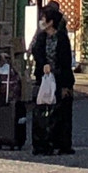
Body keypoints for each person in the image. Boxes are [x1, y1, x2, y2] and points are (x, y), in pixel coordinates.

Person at [30, 8, 75, 154]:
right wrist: (43, 65)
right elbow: (37, 53)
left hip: (60, 78)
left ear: (51, 22)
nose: (42, 21)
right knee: (43, 110)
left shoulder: (62, 38)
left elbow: (66, 61)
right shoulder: (41, 37)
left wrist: (67, 85)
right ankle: (42, 143)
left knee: (62, 112)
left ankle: (62, 144)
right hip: (43, 79)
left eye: (44, 19)